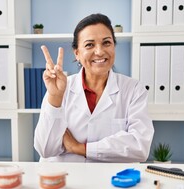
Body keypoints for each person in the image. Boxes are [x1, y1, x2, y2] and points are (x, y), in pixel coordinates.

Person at [34, 13, 154, 163]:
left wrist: (79, 147)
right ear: (77, 53)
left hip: (111, 181)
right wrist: (55, 98)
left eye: (106, 43)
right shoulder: (60, 87)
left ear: (114, 47)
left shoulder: (134, 90)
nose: (99, 51)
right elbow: (45, 150)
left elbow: (139, 147)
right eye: (89, 45)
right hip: (65, 179)